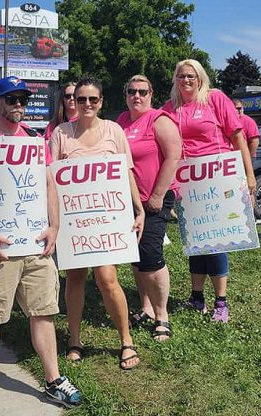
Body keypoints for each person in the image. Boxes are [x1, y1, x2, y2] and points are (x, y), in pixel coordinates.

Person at [0, 76, 83, 414]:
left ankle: (53, 379)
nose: (18, 106)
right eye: (11, 100)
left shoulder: (36, 140)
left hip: (36, 245)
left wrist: (55, 226)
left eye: (22, 100)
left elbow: (49, 184)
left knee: (43, 312)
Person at [49, 77, 144, 367]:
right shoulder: (61, 134)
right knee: (75, 278)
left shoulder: (113, 130)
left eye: (93, 99)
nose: (87, 104)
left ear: (101, 101)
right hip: (73, 222)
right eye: (81, 99)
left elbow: (126, 172)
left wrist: (138, 209)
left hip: (106, 223)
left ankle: (126, 340)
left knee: (107, 278)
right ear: (72, 102)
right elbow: (50, 179)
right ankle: (74, 339)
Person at [163, 59, 256, 323]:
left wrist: (249, 175)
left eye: (191, 76)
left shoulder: (215, 99)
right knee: (195, 241)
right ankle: (196, 297)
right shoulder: (170, 108)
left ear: (201, 78)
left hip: (219, 179)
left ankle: (221, 302)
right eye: (181, 76)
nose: (186, 80)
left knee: (216, 241)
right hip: (188, 183)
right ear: (175, 79)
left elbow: (238, 136)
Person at [116, 75, 181, 341]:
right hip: (129, 200)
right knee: (136, 256)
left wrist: (157, 195)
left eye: (142, 91)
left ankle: (162, 315)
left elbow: (173, 156)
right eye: (131, 91)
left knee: (152, 256)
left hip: (154, 198)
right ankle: (145, 307)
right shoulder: (121, 121)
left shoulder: (159, 120)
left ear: (151, 93)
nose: (137, 96)